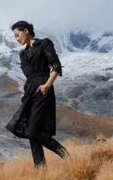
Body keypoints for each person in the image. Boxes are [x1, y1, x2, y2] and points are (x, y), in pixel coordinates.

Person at [6, 20, 70, 168]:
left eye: (17, 35)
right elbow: (29, 75)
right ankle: (40, 170)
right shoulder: (23, 53)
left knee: (34, 131)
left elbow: (56, 66)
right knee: (30, 132)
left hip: (43, 88)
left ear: (26, 30)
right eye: (15, 37)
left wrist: (47, 85)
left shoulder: (44, 44)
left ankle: (66, 155)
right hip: (29, 92)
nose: (17, 39)